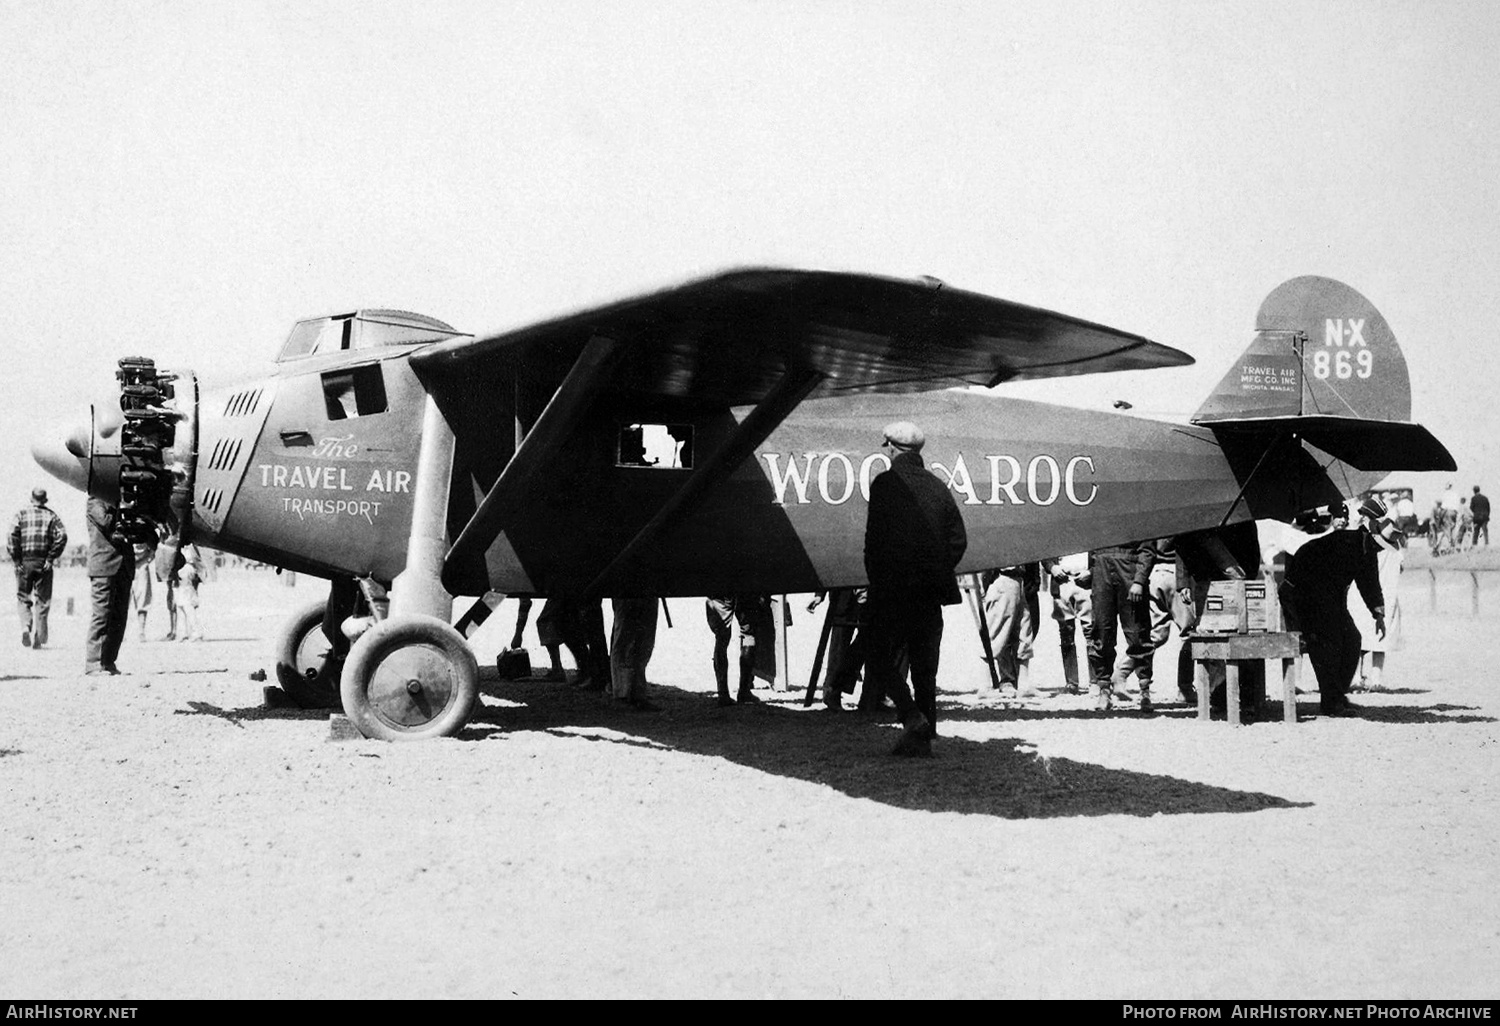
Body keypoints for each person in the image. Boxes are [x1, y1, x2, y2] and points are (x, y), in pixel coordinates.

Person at [862, 421, 967, 757]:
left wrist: (879, 581)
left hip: (893, 589)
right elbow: (958, 540)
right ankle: (923, 739)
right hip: (930, 593)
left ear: (892, 448)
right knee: (925, 667)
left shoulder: (885, 484)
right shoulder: (939, 487)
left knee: (876, 654)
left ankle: (910, 715)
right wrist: (936, 570)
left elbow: (874, 542)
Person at [1279, 497, 1387, 717]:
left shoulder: (1368, 549)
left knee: (1353, 639)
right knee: (1328, 643)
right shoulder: (1344, 543)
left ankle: (1337, 696)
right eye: (1379, 545)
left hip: (1327, 598)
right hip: (1302, 595)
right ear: (1369, 532)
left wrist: (1378, 613)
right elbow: (1316, 582)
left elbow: (1370, 582)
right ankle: (1331, 702)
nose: (1379, 549)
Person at [1087, 538, 1156, 712]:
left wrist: (1140, 580)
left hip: (1130, 572)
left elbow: (1147, 550)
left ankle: (1144, 691)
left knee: (1138, 634)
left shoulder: (1137, 513)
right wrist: (1091, 571)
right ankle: (1104, 689)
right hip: (1102, 571)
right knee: (1102, 632)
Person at [1115, 538, 1177, 697]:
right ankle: (1185, 688)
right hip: (1173, 571)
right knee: (1189, 633)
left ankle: (1121, 673)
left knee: (1155, 634)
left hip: (1153, 571)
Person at [1350, 517, 1406, 692]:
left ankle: (1356, 677)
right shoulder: (1396, 550)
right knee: (1381, 640)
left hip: (1361, 597)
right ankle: (1376, 679)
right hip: (1387, 597)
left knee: (1359, 638)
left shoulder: (1367, 546)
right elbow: (1402, 567)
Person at [9, 487, 68, 649]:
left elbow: (11, 536)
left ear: (31, 498)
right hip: (43, 562)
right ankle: (38, 637)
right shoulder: (51, 516)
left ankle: (25, 627)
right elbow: (62, 536)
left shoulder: (21, 514)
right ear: (45, 500)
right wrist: (51, 557)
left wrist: (16, 559)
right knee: (42, 601)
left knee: (23, 598)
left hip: (25, 562)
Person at [85, 497, 135, 675]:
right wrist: (126, 509)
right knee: (102, 614)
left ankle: (108, 662)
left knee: (119, 617)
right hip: (104, 566)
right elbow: (107, 523)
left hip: (122, 567)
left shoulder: (118, 503)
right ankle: (93, 663)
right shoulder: (95, 502)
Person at [979, 563, 1040, 699]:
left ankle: (1024, 685)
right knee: (996, 635)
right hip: (1002, 580)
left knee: (1024, 634)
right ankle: (985, 686)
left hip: (1019, 581)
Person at [807, 587, 869, 712]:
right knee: (839, 649)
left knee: (869, 639)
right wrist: (819, 594)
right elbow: (829, 568)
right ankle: (832, 691)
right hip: (843, 601)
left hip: (869, 598)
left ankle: (869, 699)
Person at [705, 594, 772, 706]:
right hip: (744, 586)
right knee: (749, 635)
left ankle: (723, 694)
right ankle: (744, 691)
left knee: (721, 638)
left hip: (720, 586)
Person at [1041, 552, 1091, 694]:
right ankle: (1072, 683)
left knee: (1091, 632)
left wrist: (1091, 571)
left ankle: (1096, 682)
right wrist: (1052, 567)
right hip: (1062, 582)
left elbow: (1098, 553)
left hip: (1085, 583)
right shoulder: (1052, 529)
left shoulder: (1092, 529)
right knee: (1066, 633)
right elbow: (1043, 550)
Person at [610, 596, 659, 710]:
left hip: (648, 589)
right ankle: (622, 694)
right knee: (625, 640)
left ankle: (638, 694)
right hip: (626, 589)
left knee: (645, 641)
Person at [129, 538, 156, 641]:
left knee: (143, 598)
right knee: (122, 601)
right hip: (126, 565)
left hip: (141, 566)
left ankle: (141, 631)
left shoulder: (144, 525)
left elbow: (154, 545)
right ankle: (120, 632)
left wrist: (149, 559)